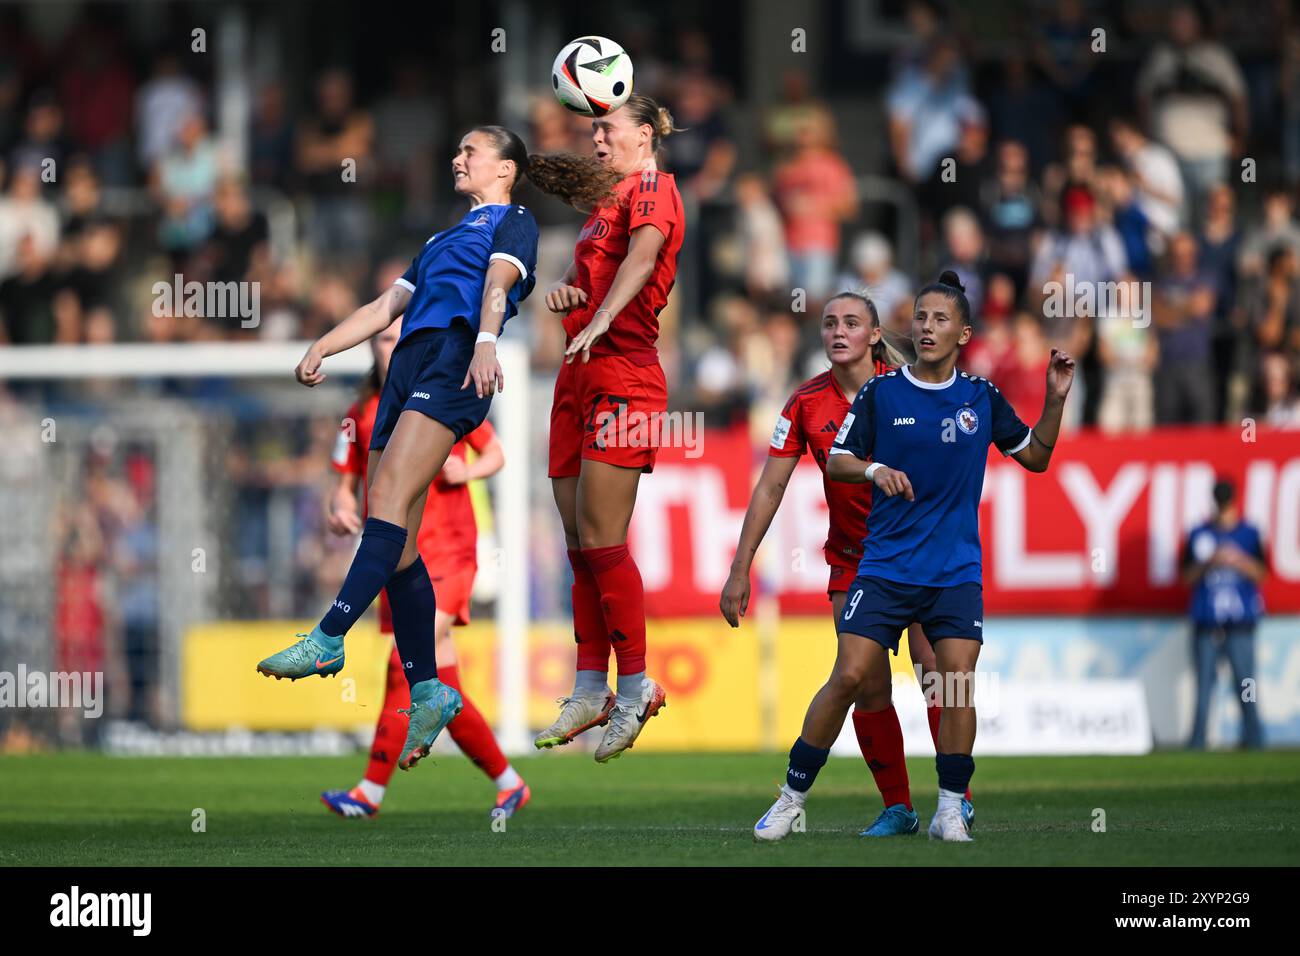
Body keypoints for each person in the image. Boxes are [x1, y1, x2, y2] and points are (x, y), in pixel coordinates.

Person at [256, 125, 539, 776]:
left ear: (505, 169)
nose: (457, 157)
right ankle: (431, 691)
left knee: (384, 500)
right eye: (458, 148)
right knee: (399, 540)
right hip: (408, 366)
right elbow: (387, 306)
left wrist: (489, 342)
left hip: (455, 355)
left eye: (471, 151)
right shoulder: (439, 239)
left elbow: (498, 283)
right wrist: (324, 344)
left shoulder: (513, 220)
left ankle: (328, 637)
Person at [753, 272, 1074, 843]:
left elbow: (1038, 457)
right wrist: (876, 469)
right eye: (921, 317)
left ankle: (951, 807)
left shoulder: (981, 397)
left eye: (940, 319)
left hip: (953, 573)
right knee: (850, 675)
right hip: (883, 568)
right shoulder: (883, 393)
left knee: (954, 683)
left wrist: (1054, 400)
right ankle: (791, 796)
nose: (927, 327)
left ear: (963, 333)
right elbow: (839, 461)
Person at [721, 293, 971, 837]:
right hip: (855, 563)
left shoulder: (914, 387)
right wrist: (741, 566)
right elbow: (771, 486)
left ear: (875, 335)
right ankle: (899, 808)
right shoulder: (805, 403)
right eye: (830, 322)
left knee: (937, 674)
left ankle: (957, 801)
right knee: (864, 682)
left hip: (923, 556)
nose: (838, 331)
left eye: (852, 323)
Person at [319, 318, 530, 819]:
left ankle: (369, 793)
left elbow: (495, 453)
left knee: (404, 664)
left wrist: (468, 469)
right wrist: (340, 508)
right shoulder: (360, 413)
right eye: (382, 340)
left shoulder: (446, 392)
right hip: (399, 560)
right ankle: (509, 782)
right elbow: (343, 483)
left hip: (452, 553)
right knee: (437, 681)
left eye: (397, 339)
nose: (388, 347)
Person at [529, 94, 685, 762]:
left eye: (607, 128)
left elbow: (643, 261)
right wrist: (567, 299)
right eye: (592, 129)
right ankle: (590, 685)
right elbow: (578, 280)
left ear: (644, 134)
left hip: (624, 372)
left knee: (603, 538)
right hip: (577, 372)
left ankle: (638, 685)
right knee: (575, 539)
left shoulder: (654, 188)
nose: (595, 139)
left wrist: (599, 318)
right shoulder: (602, 206)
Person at [1182, 479, 1267, 750]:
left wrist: (1238, 560)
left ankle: (1252, 737)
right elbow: (1186, 576)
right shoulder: (1199, 534)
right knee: (1204, 684)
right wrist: (1211, 562)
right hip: (1207, 620)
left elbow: (1262, 572)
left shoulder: (1250, 533)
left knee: (1245, 682)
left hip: (1240, 621)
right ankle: (1198, 740)